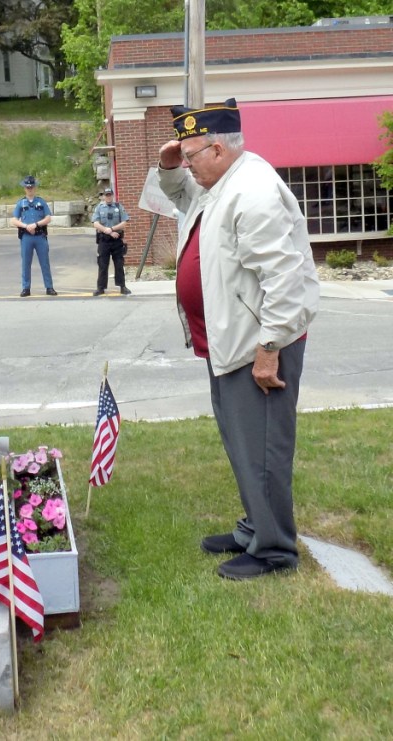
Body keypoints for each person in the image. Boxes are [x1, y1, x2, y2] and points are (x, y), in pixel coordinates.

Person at [156, 98, 320, 581]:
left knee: (264, 446)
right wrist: (170, 167)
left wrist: (269, 349)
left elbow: (284, 275)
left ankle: (273, 551)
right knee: (244, 443)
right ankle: (255, 527)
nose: (188, 165)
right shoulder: (220, 183)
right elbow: (183, 199)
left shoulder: (253, 191)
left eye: (191, 156)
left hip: (258, 346)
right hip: (229, 342)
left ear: (219, 149)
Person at [11, 176, 56, 297]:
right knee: (26, 263)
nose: (30, 189)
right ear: (25, 188)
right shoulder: (21, 203)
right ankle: (26, 288)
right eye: (27, 187)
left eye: (31, 187)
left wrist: (36, 224)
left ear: (35, 188)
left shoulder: (41, 202)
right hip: (26, 237)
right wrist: (26, 226)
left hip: (40, 236)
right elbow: (14, 220)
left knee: (45, 262)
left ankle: (49, 287)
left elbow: (48, 218)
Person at [90, 187, 131, 296]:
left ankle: (122, 286)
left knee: (119, 264)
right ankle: (101, 288)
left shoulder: (118, 207)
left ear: (112, 195)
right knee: (103, 264)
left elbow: (124, 222)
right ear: (103, 196)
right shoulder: (99, 208)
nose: (108, 197)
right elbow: (95, 223)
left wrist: (112, 229)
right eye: (106, 195)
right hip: (104, 240)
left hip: (116, 239)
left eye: (110, 195)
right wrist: (107, 231)